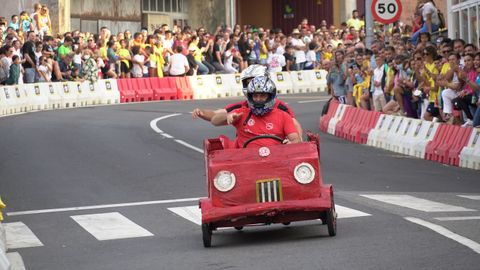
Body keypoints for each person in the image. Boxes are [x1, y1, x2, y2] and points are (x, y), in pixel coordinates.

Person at [211, 76, 301, 148]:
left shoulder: (283, 116)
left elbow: (295, 139)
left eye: (262, 95)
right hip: (245, 161)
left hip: (276, 160)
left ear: (271, 97)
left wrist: (291, 144)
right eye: (255, 96)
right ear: (250, 97)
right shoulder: (241, 113)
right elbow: (214, 121)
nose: (258, 99)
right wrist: (227, 117)